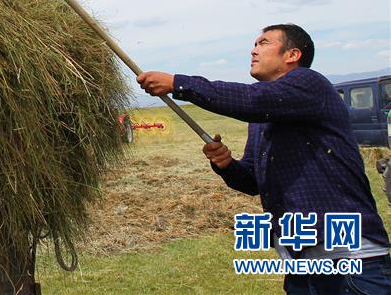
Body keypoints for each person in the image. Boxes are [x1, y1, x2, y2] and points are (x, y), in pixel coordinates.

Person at [137, 24, 391, 294]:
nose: (253, 49)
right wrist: (226, 165)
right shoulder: (262, 120)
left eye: (263, 43)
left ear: (292, 55)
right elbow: (251, 181)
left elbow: (250, 99)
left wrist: (179, 83)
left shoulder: (310, 83)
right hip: (301, 270)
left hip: (351, 265)